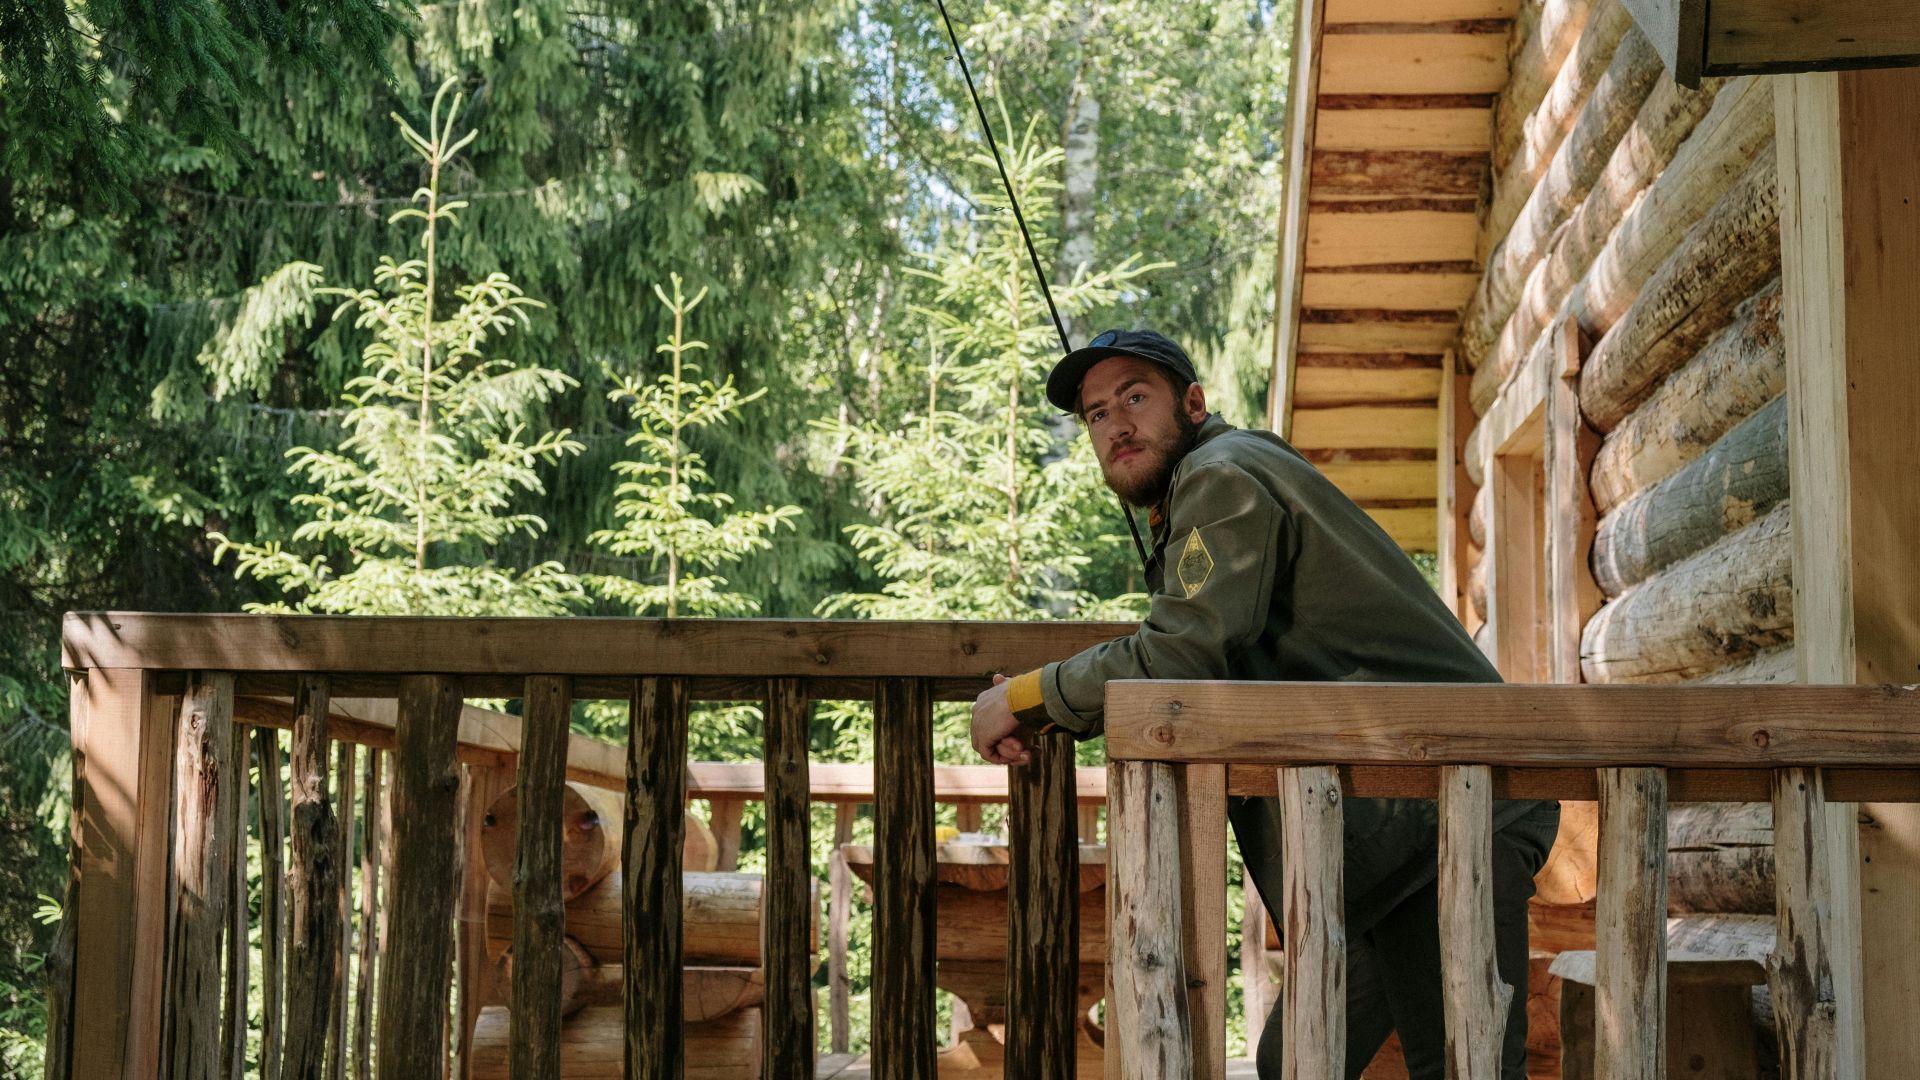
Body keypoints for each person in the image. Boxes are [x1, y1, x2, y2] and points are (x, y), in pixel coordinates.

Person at [968, 328, 1558, 1079]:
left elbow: (1179, 655)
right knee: (1293, 1063)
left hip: (1446, 817)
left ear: (1193, 403)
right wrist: (1057, 704)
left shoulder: (1223, 476)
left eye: (1135, 397)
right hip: (1399, 828)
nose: (1116, 425)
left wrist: (1025, 698)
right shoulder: (1228, 473)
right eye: (1096, 414)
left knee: (1465, 1068)